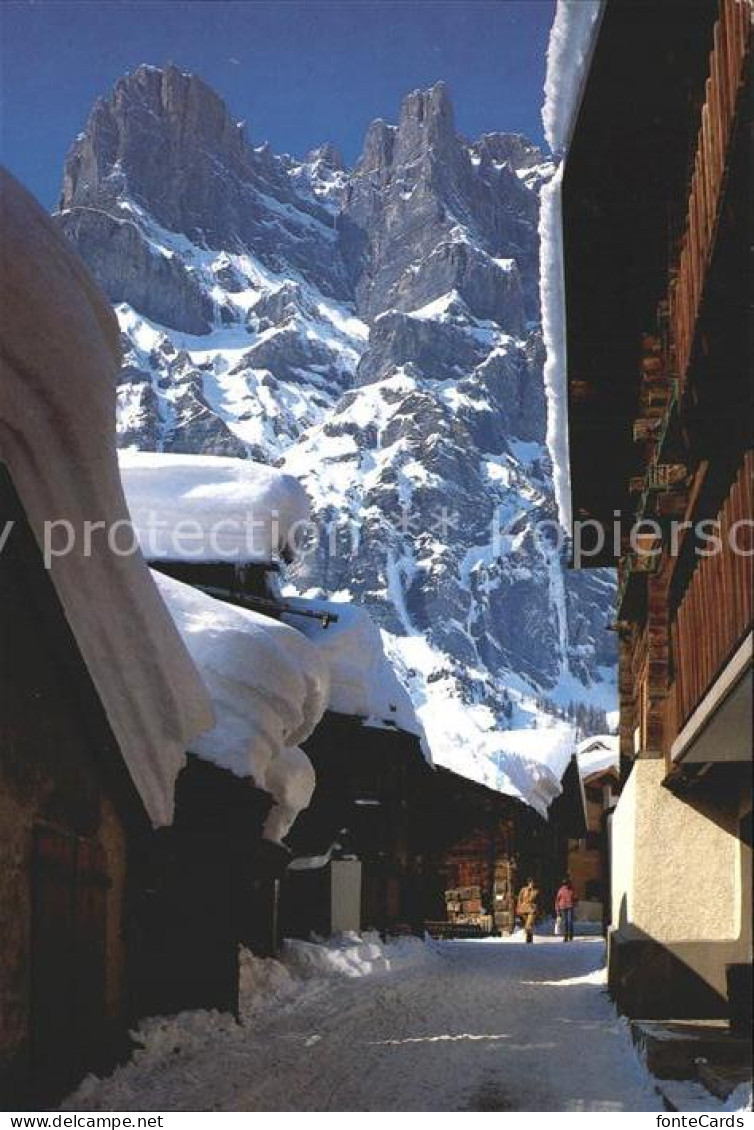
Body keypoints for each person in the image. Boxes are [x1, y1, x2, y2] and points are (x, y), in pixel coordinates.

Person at [516, 877, 539, 943]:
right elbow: (520, 899)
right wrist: (518, 907)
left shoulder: (536, 891)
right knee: (528, 925)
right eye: (530, 882)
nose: (532, 884)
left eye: (533, 882)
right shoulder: (523, 890)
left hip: (532, 910)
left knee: (528, 925)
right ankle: (529, 937)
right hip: (523, 909)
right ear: (528, 883)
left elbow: (536, 900)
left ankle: (528, 939)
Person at [555, 876, 577, 942]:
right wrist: (557, 910)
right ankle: (566, 936)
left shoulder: (572, 889)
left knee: (569, 922)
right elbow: (557, 900)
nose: (567, 885)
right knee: (565, 922)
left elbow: (575, 897)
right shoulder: (561, 890)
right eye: (566, 884)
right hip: (563, 907)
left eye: (568, 884)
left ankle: (570, 936)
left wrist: (575, 902)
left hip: (570, 907)